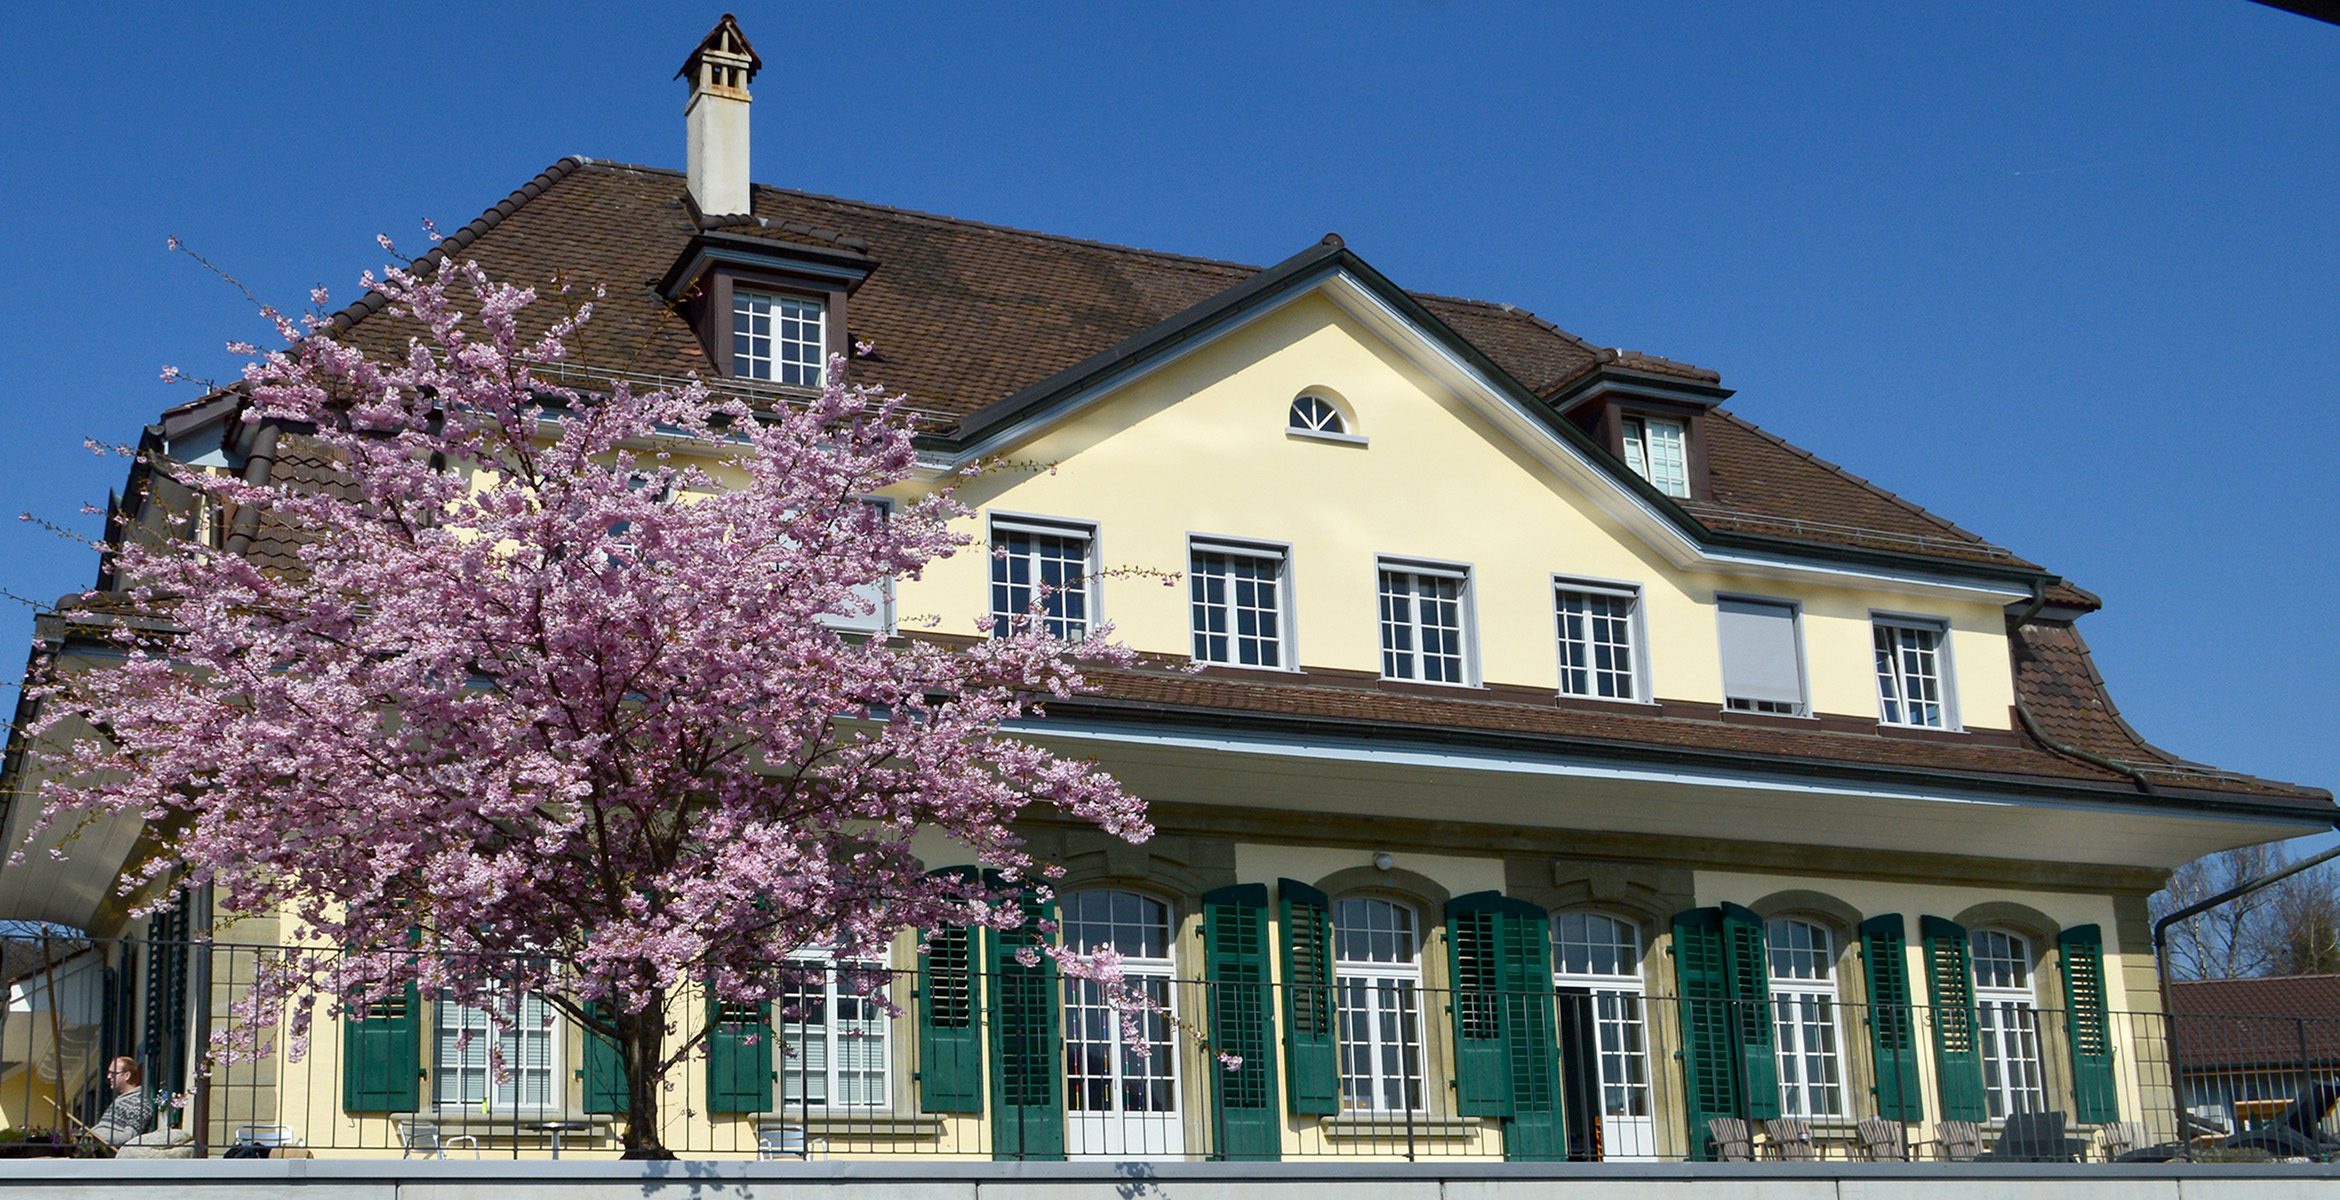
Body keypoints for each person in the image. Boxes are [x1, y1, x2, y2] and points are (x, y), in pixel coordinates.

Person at [88, 1057, 156, 1147]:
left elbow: (130, 1138)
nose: (108, 1077)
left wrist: (97, 1138)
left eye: (113, 1073)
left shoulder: (139, 1103)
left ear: (127, 1075)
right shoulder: (120, 1100)